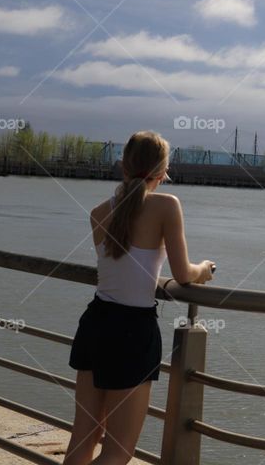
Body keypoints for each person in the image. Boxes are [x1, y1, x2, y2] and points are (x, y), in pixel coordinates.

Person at [64, 131, 215, 465]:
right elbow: (182, 273)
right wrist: (204, 269)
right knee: (119, 451)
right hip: (132, 333)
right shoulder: (166, 205)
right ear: (163, 172)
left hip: (94, 324)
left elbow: (122, 270)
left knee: (83, 437)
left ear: (123, 167)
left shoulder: (98, 212)